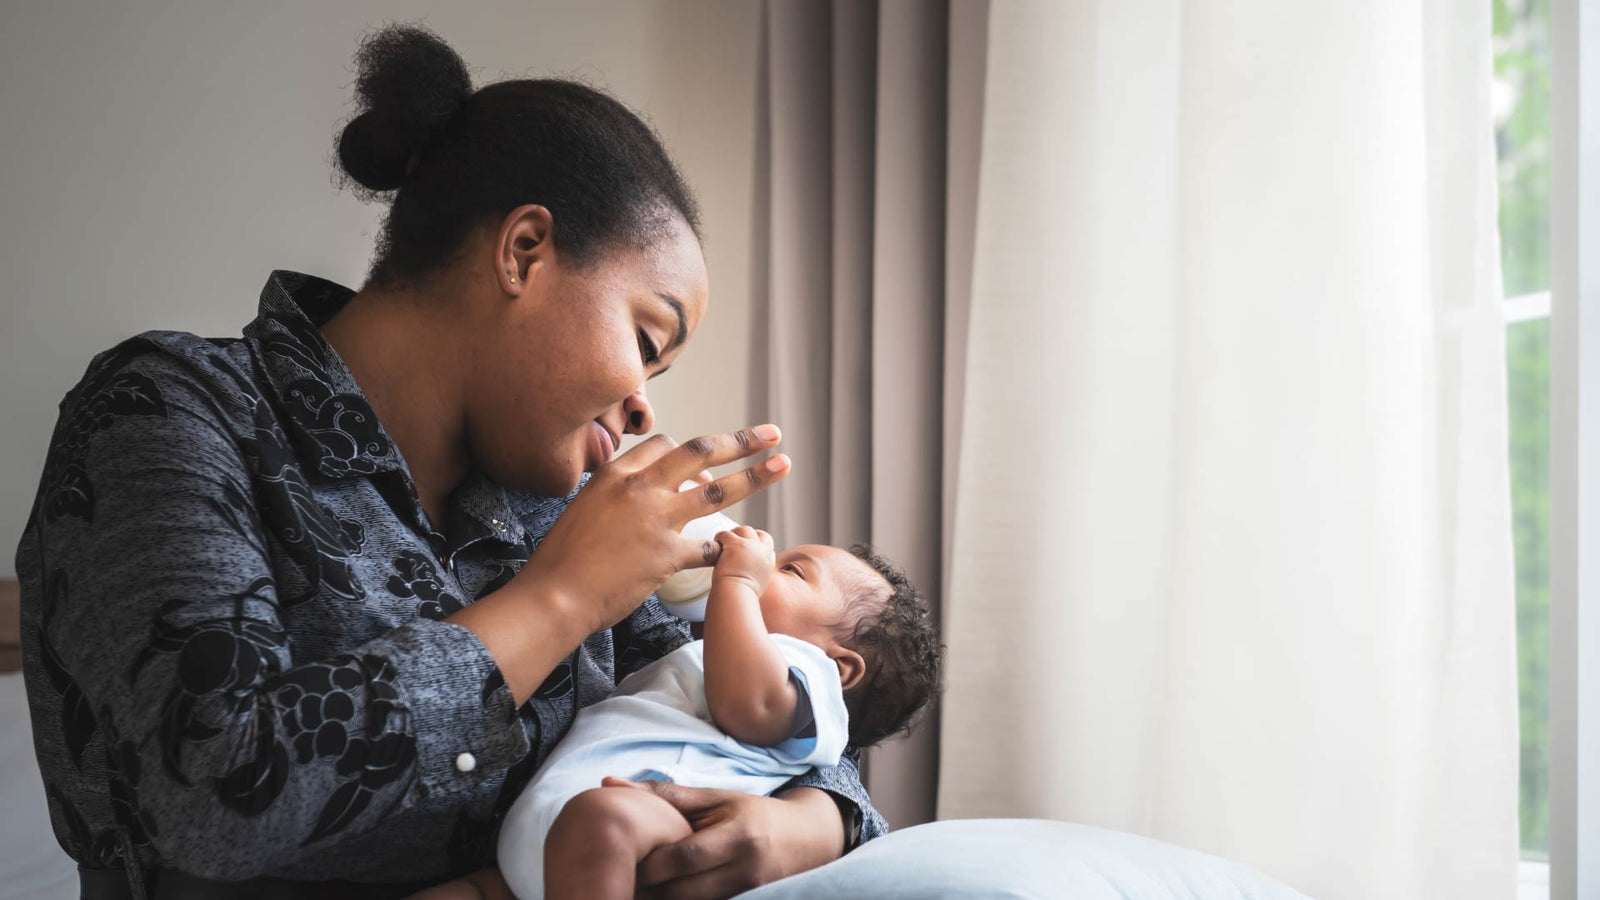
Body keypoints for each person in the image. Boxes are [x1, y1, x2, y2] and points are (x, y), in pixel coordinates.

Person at [16, 24, 885, 900]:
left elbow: (735, 709)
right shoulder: (170, 410)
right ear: (523, 253)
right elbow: (216, 792)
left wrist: (813, 821)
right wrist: (559, 598)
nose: (643, 407)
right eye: (647, 339)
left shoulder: (550, 499)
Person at [409, 527, 943, 900]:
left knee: (605, 818)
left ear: (839, 667)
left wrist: (737, 583)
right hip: (533, 855)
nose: (765, 565)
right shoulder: (712, 655)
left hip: (641, 831)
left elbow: (747, 706)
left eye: (791, 571)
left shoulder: (804, 674)